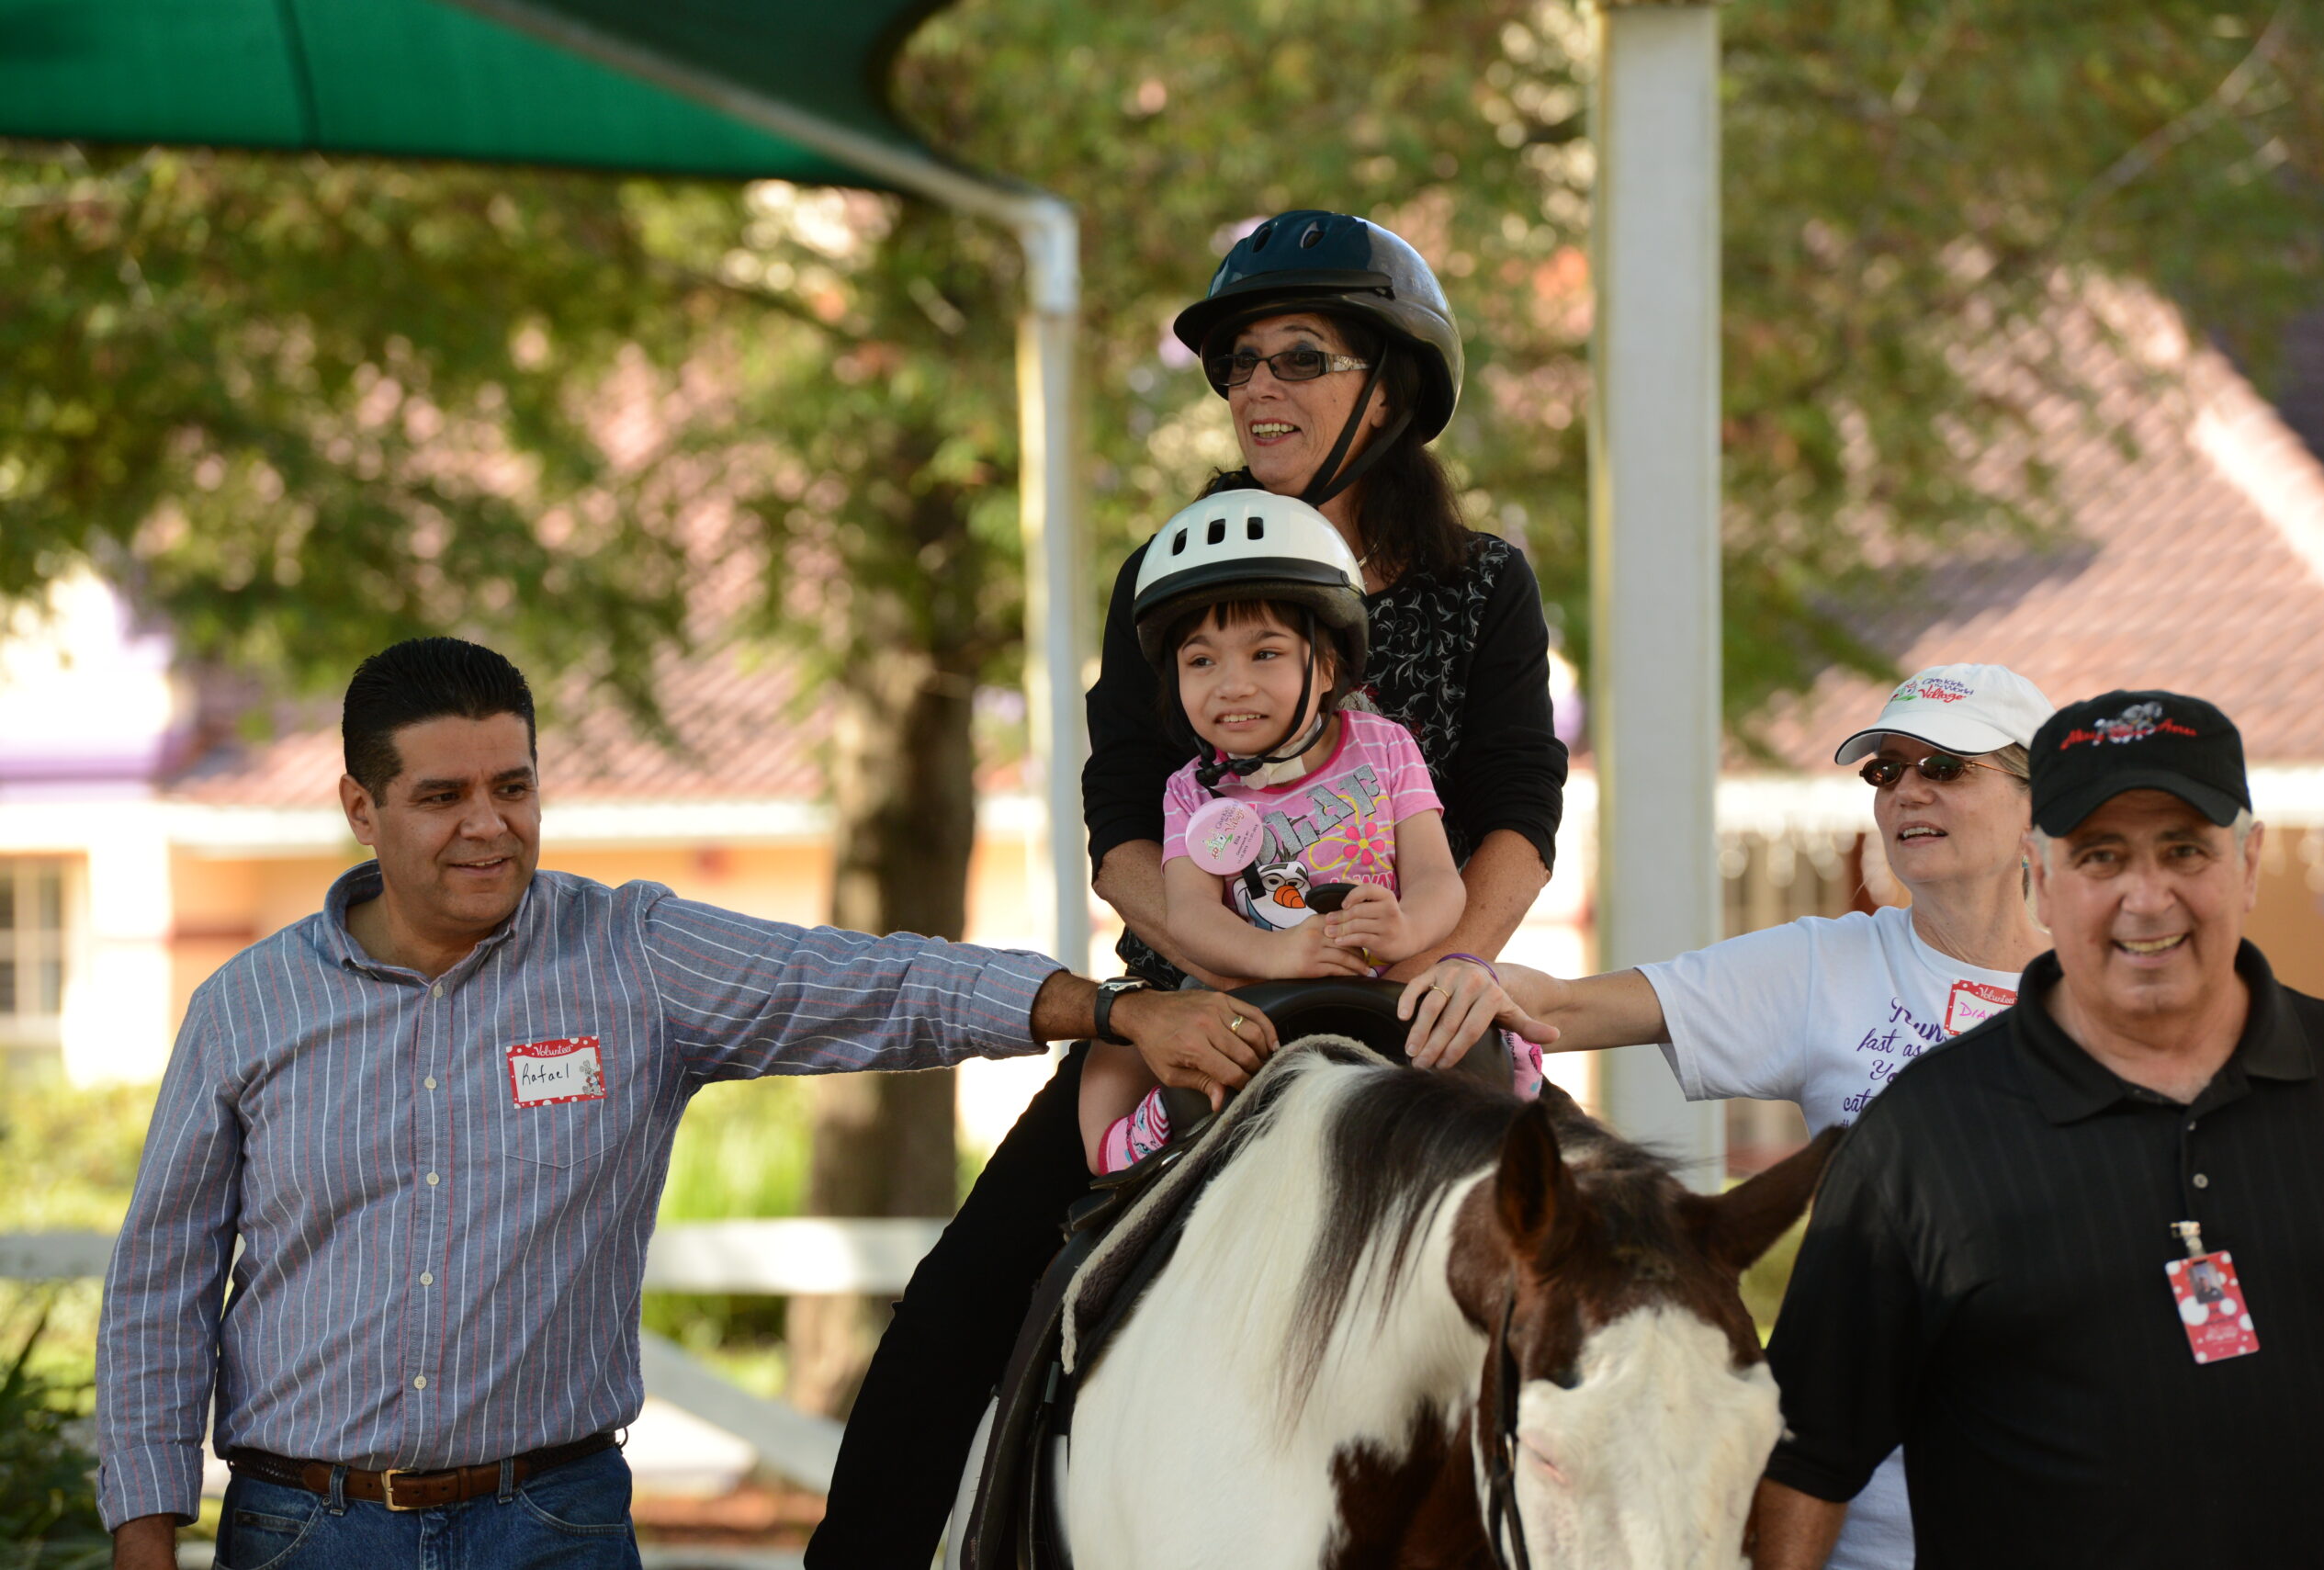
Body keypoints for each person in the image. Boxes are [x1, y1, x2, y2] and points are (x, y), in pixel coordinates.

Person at [96, 638, 1274, 1570]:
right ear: (363, 807)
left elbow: (867, 981)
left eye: (514, 785)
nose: (487, 824)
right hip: (308, 1532)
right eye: (442, 794)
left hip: (548, 1525)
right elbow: (162, 1283)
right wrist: (145, 1537)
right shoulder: (248, 1008)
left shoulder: (632, 962)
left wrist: (1114, 1010)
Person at [809, 210, 1569, 1566]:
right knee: (946, 1323)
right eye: (1235, 366)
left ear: (1390, 388)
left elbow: (1518, 806)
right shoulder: (1173, 570)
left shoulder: (1484, 583)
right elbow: (1120, 830)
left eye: (1297, 357)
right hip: (1194, 1009)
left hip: (1426, 1000)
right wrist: (1225, 978)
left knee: (1615, 1280)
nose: (1255, 389)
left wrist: (1455, 965)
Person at [1402, 661, 2056, 1570]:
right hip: (1850, 1518)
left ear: (2043, 797)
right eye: (1885, 770)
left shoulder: (2102, 997)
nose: (1906, 789)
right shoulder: (1825, 964)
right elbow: (1572, 1002)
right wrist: (1479, 976)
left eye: (1946, 767)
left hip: (2069, 1499)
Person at [1751, 689, 2324, 1568]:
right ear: (2041, 870)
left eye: (2184, 850)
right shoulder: (1921, 1140)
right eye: (2101, 857)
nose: (2147, 899)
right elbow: (1807, 1457)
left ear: (2250, 862)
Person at [1082, 491, 1480, 1172]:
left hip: (1389, 988)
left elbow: (1439, 879)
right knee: (1122, 1043)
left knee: (1490, 1038)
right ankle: (1146, 1146)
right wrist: (1277, 959)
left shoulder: (1386, 749)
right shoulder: (1191, 791)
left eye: (1264, 653)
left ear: (1326, 666)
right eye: (1201, 662)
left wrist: (1408, 929)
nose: (1231, 684)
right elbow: (1193, 916)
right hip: (1256, 999)